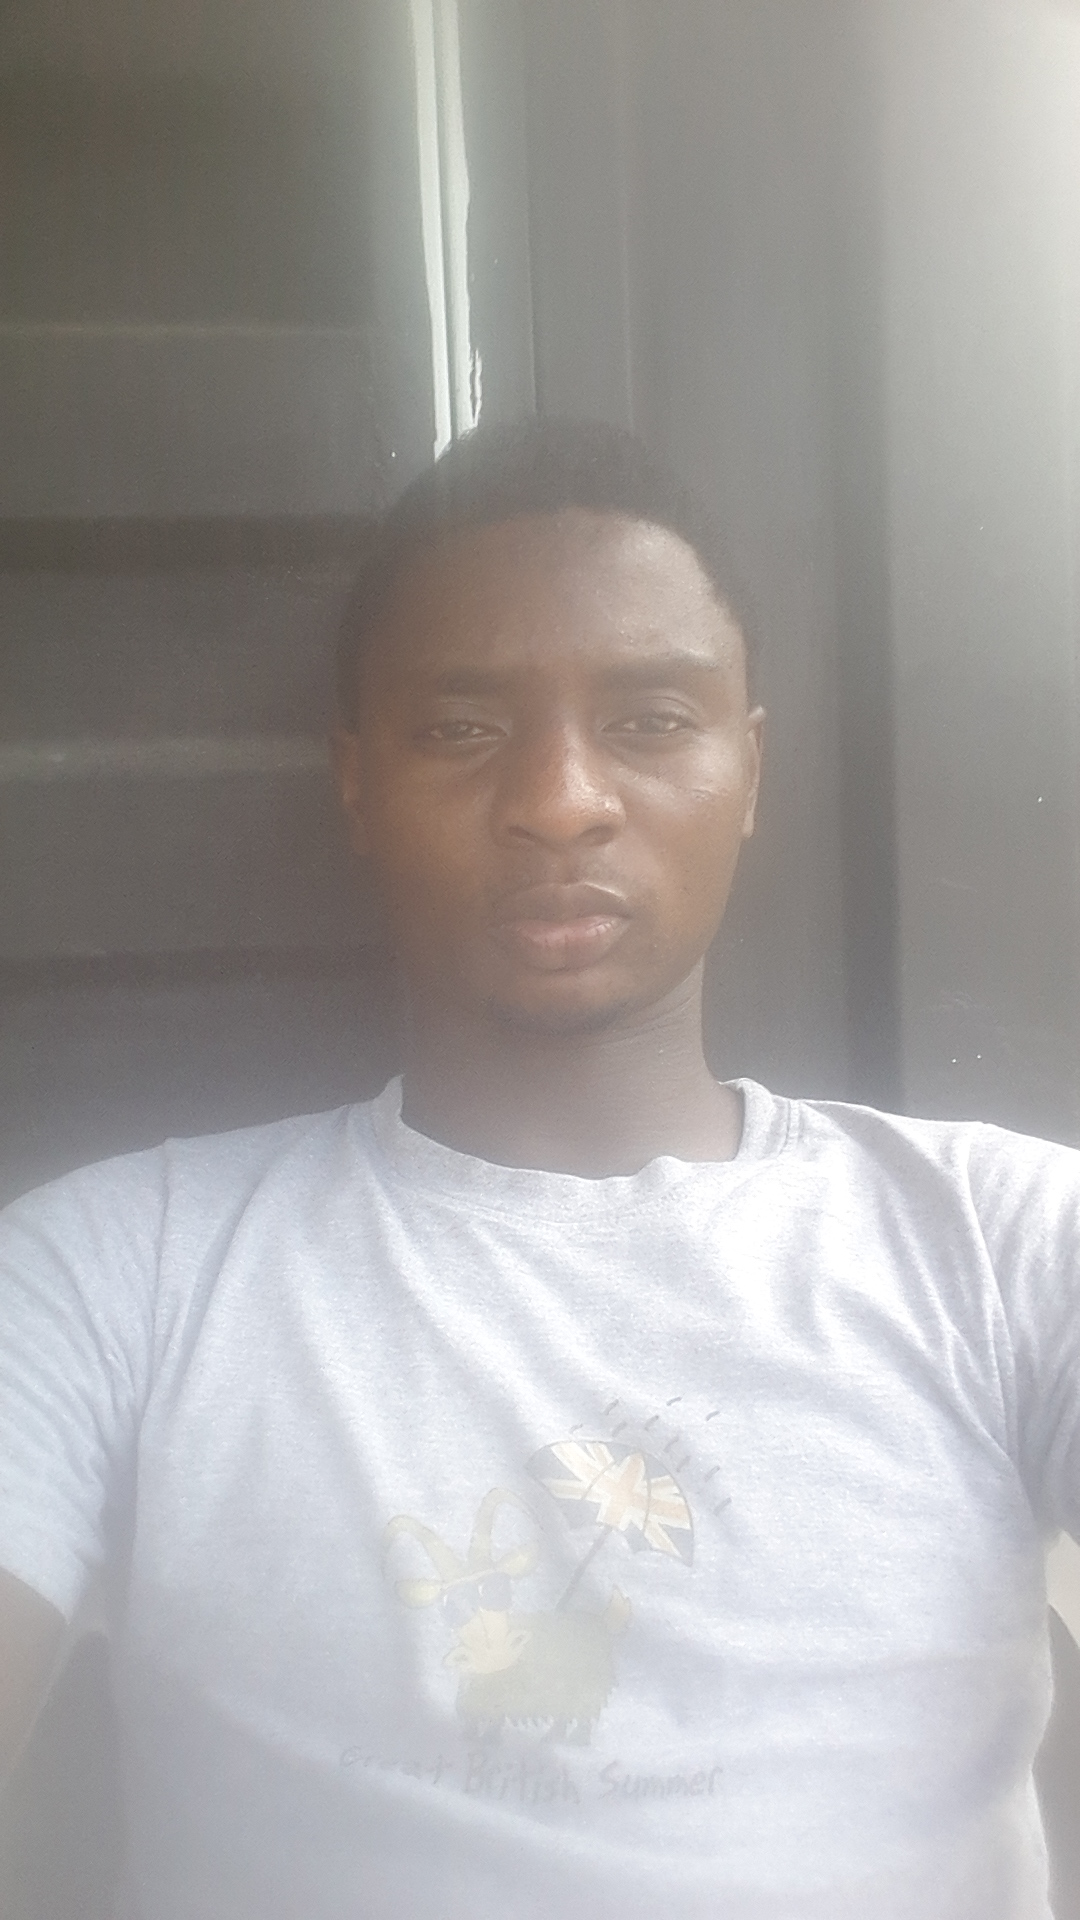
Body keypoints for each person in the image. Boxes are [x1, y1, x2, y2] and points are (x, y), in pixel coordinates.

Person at [0, 417, 1078, 1920]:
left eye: (651, 719)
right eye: (461, 729)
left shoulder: (1010, 1246)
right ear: (357, 783)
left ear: (749, 771)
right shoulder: (114, 1279)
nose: (562, 797)